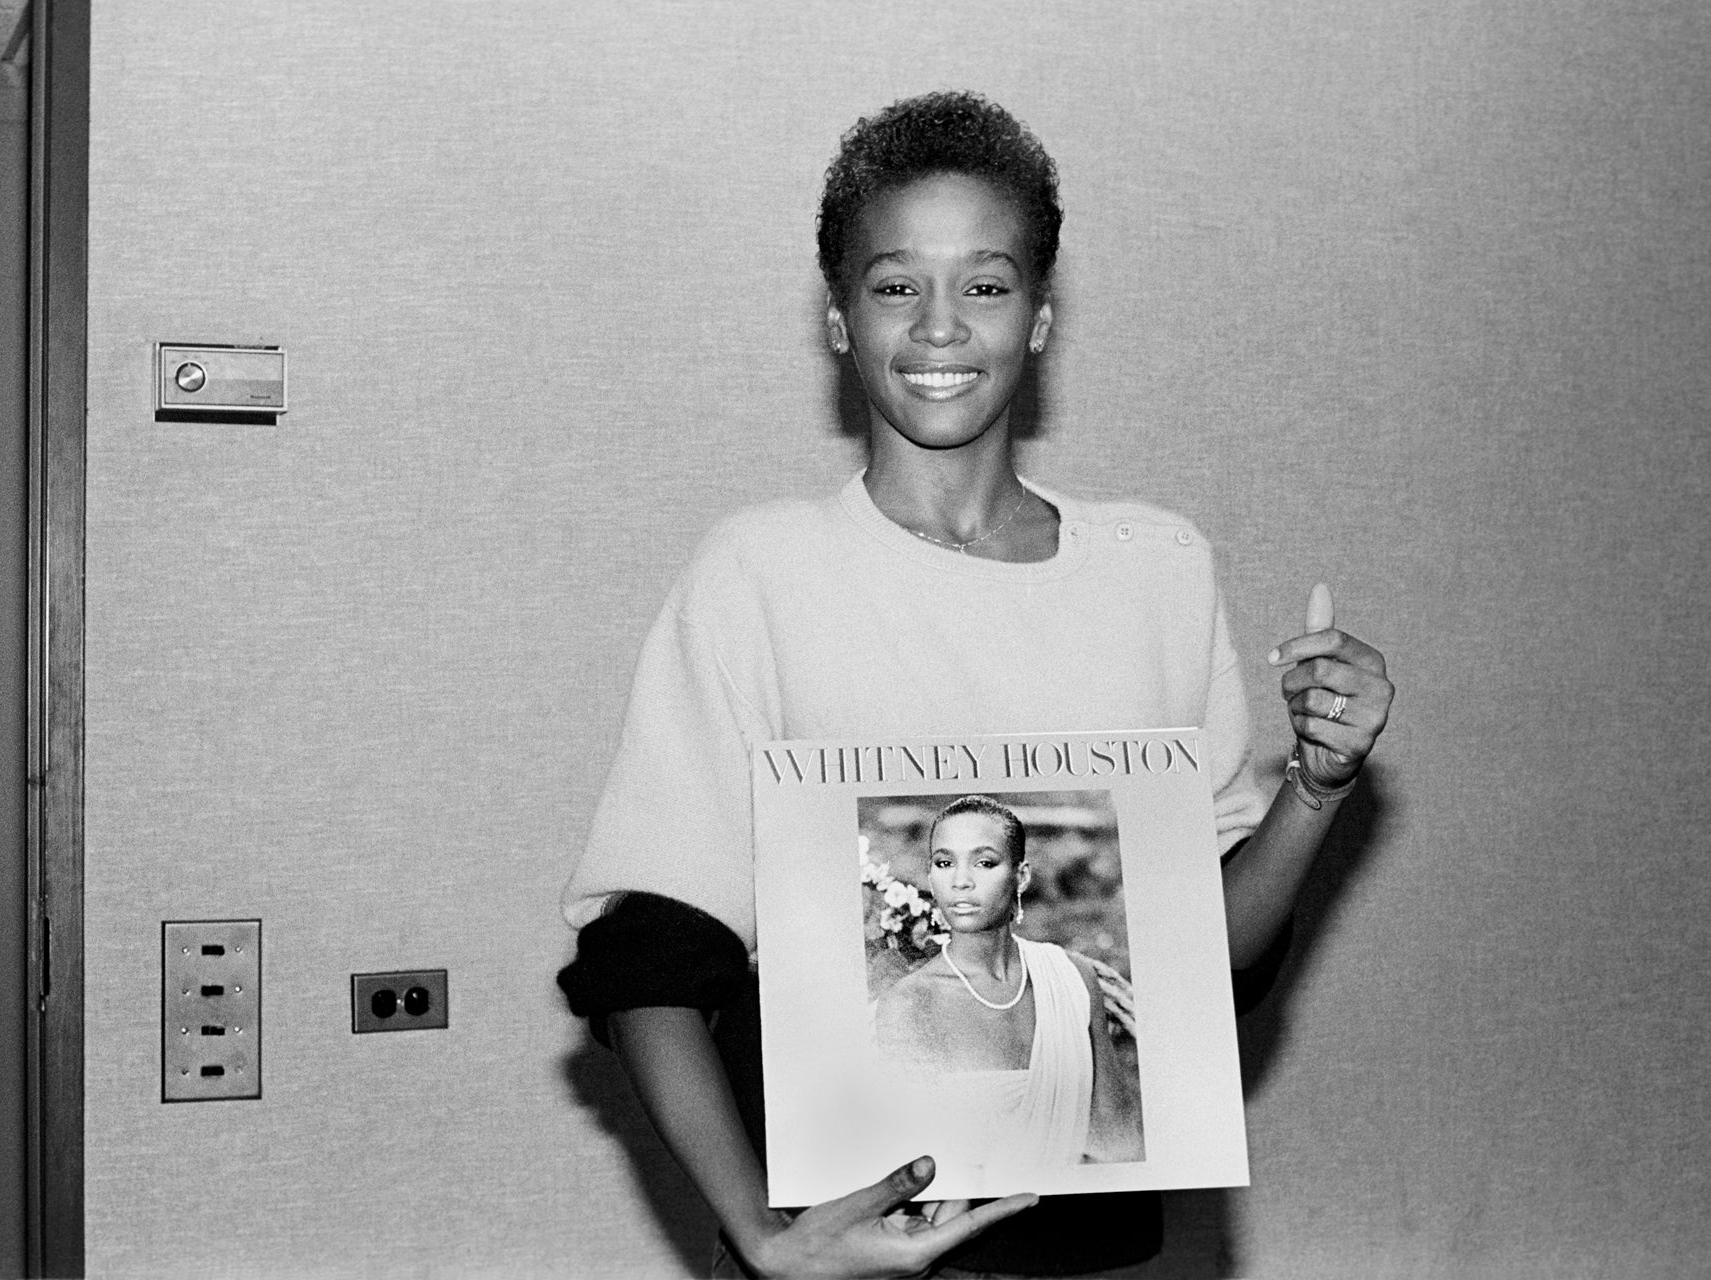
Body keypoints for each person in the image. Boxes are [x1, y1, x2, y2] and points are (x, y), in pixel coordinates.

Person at [559, 90, 1394, 1278]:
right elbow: (648, 950)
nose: (940, 326)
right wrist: (759, 1234)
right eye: (896, 284)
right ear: (841, 319)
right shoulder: (759, 573)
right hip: (850, 1248)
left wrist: (1315, 789)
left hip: (1106, 1248)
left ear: (1041, 318)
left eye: (986, 285)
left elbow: (1206, 964)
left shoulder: (1157, 565)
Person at [871, 796, 1143, 1176]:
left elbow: (1120, 1140)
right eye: (944, 863)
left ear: (1021, 876)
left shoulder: (1072, 976)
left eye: (984, 862)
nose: (961, 881)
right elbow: (912, 1161)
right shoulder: (912, 1002)